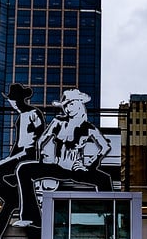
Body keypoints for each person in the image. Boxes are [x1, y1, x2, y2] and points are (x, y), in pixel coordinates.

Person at [13, 89, 112, 228]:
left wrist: (91, 164)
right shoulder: (58, 122)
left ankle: (110, 220)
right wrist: (43, 159)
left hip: (76, 169)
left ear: (79, 104)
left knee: (104, 179)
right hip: (57, 167)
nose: (67, 108)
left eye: (70, 104)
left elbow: (105, 146)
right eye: (65, 105)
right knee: (24, 170)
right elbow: (42, 140)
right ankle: (30, 217)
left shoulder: (88, 127)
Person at [0, 83, 45, 239]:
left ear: (19, 99)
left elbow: (42, 134)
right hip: (18, 155)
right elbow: (18, 141)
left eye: (13, 99)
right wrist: (11, 157)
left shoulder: (33, 113)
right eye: (10, 99)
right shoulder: (21, 116)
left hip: (27, 155)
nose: (12, 103)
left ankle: (14, 201)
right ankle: (14, 200)